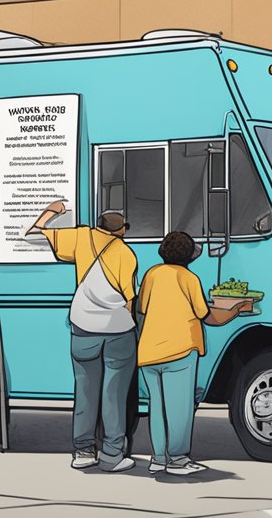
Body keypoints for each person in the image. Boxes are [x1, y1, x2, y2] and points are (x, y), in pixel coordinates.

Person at [30, 200, 138, 472]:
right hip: (118, 330)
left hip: (82, 325)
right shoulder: (127, 254)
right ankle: (112, 455)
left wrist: (52, 212)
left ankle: (83, 451)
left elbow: (33, 234)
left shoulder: (81, 237)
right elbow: (129, 300)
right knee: (114, 393)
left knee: (85, 391)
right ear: (122, 230)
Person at [137, 231, 251, 475]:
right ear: (188, 256)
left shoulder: (152, 274)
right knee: (180, 407)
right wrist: (236, 309)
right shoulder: (188, 278)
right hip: (179, 350)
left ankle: (158, 458)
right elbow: (206, 316)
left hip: (149, 352)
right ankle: (177, 460)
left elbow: (142, 307)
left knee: (157, 407)